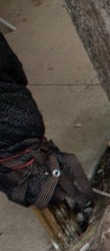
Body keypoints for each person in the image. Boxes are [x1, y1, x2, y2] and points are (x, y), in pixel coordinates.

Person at [0, 32, 93, 216]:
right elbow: (16, 72)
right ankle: (75, 196)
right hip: (27, 115)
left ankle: (69, 202)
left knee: (32, 174)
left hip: (13, 142)